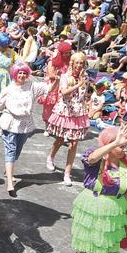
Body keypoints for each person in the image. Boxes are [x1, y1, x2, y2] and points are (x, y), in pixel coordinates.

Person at [59, 124, 127, 253]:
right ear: (108, 143)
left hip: (113, 212)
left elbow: (126, 192)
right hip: (93, 208)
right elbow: (93, 157)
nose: (123, 149)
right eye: (120, 146)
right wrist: (114, 142)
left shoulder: (125, 167)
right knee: (86, 252)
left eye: (125, 146)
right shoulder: (96, 160)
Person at [0, 62, 52, 196]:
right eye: (19, 73)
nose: (22, 75)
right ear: (15, 74)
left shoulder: (32, 86)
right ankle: (10, 182)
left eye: (24, 73)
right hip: (10, 123)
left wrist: (57, 79)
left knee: (17, 151)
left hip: (25, 125)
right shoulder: (8, 90)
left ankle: (8, 169)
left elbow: (49, 89)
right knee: (11, 150)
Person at [45, 52, 91, 184]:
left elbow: (83, 95)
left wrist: (82, 83)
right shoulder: (65, 76)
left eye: (81, 63)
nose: (79, 65)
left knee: (74, 142)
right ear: (72, 63)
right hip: (66, 110)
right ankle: (51, 156)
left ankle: (67, 173)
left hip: (78, 111)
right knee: (60, 139)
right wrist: (78, 85)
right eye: (77, 62)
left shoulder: (86, 77)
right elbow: (64, 93)